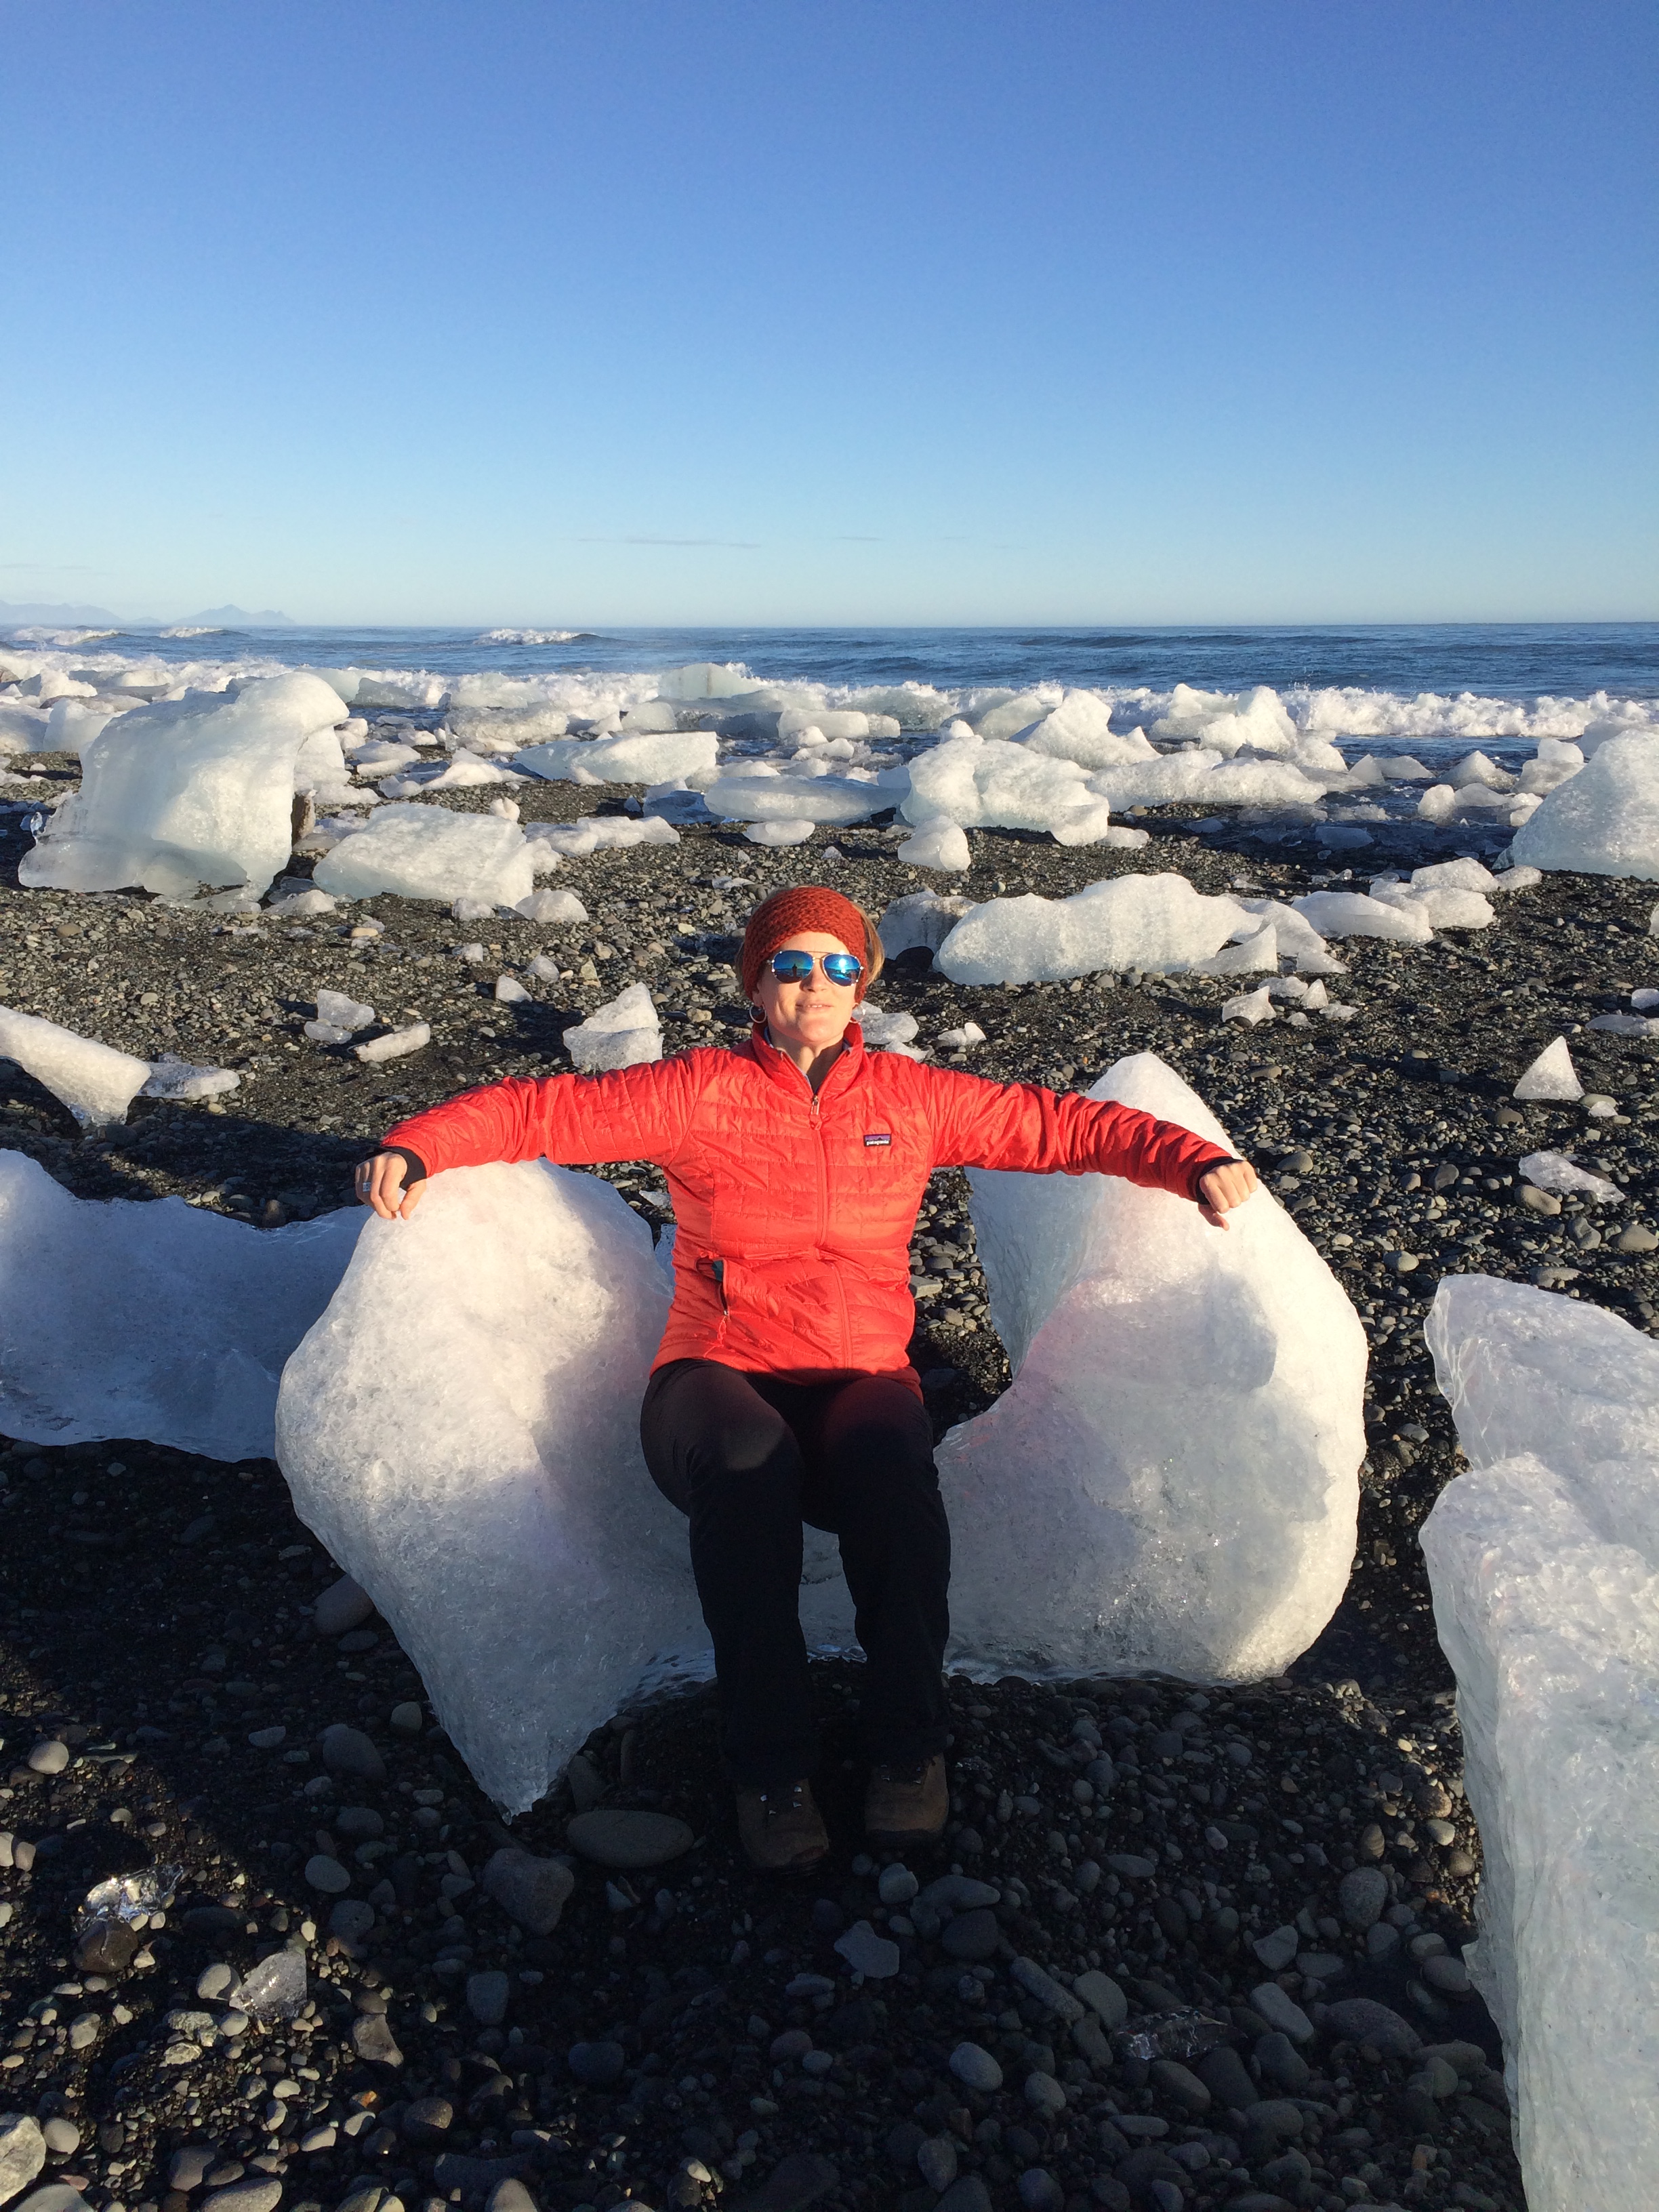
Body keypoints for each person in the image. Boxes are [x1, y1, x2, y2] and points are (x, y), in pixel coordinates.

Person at [355, 884, 1258, 1870]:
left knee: (893, 1482)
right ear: (758, 981)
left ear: (862, 983)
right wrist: (419, 1142)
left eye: (837, 966)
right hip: (715, 1375)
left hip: (859, 1373)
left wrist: (1187, 1158)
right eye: (792, 965)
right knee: (749, 1473)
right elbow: (545, 1111)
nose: (816, 984)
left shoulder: (911, 1100)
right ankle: (770, 1770)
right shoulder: (698, 1091)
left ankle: (908, 1751)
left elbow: (1058, 1127)